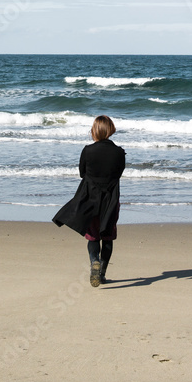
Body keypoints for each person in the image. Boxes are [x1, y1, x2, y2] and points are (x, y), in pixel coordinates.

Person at [52, 115, 126, 287]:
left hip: (90, 198)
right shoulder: (119, 152)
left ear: (95, 130)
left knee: (93, 237)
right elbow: (118, 174)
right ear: (110, 129)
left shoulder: (88, 150)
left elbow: (82, 173)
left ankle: (94, 260)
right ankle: (102, 274)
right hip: (111, 199)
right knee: (108, 236)